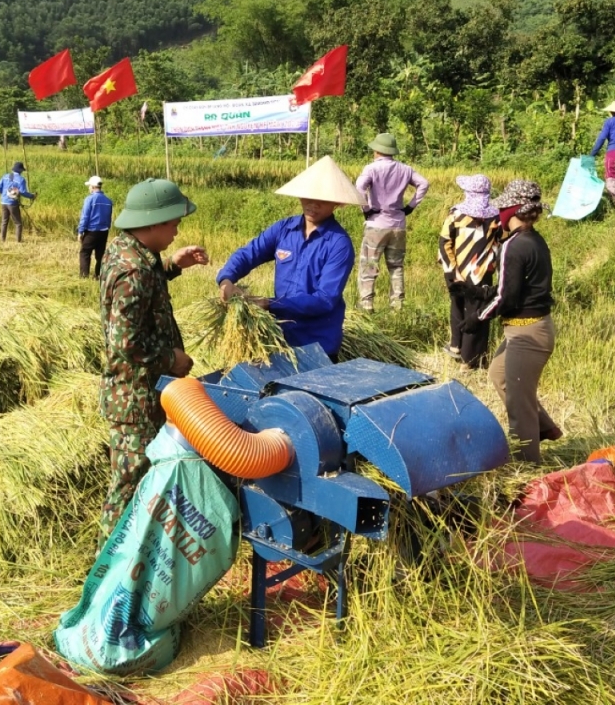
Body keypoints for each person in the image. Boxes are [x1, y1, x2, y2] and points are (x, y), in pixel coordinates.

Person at [97, 178, 209, 548]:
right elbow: (124, 341)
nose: (178, 229)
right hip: (135, 398)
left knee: (139, 477)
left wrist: (172, 266)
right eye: (174, 222)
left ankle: (134, 550)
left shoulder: (127, 251)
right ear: (154, 222)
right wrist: (171, 359)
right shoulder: (135, 271)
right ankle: (108, 564)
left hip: (137, 392)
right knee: (130, 481)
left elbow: (144, 287)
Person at [216, 156, 359, 360]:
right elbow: (249, 253)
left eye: (322, 199)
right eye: (308, 196)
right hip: (280, 339)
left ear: (338, 203)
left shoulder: (339, 244)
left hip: (318, 344)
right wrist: (226, 279)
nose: (313, 204)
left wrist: (270, 304)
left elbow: (325, 299)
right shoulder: (284, 229)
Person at [476, 180, 561, 465]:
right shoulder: (533, 239)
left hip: (528, 333)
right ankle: (544, 426)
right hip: (532, 329)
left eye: (501, 209)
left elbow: (506, 296)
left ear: (511, 211)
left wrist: (479, 318)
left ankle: (527, 465)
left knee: (518, 402)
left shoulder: (515, 245)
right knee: (498, 374)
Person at [355, 132, 429, 310]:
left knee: (370, 264)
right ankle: (397, 305)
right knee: (396, 266)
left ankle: (367, 304)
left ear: (376, 151)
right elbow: (424, 183)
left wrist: (366, 208)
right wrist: (410, 206)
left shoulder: (371, 169)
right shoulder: (405, 169)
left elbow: (359, 186)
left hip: (376, 224)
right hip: (398, 225)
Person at [439, 175, 502, 370]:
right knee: (477, 312)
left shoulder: (455, 215)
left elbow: (444, 242)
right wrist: (492, 264)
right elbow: (499, 244)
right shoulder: (496, 217)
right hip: (482, 273)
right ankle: (469, 357)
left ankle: (457, 347)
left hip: (455, 271)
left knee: (457, 306)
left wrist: (453, 270)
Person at [77, 175, 113, 279]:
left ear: (93, 187)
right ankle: (98, 275)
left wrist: (80, 231)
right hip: (104, 231)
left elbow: (85, 216)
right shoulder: (108, 200)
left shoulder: (90, 199)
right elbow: (109, 217)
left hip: (92, 231)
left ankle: (84, 276)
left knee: (85, 252)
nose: (89, 188)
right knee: (100, 255)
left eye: (89, 186)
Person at [0, 161, 36, 242]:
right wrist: (32, 196)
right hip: (12, 203)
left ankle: (2, 240)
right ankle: (18, 241)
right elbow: (23, 192)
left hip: (3, 202)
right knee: (18, 223)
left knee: (4, 221)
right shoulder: (21, 179)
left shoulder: (5, 176)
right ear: (20, 170)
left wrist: (3, 194)